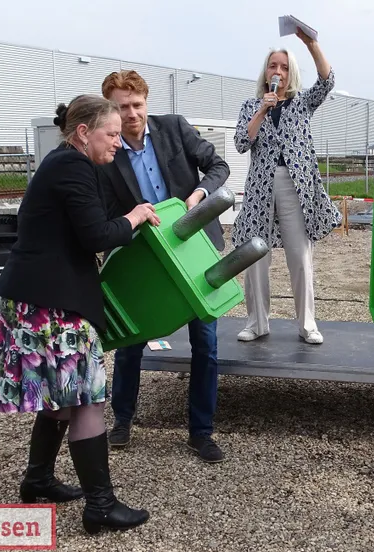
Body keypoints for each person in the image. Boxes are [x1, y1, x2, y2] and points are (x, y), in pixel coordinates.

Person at [0, 94, 159, 534]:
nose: (119, 142)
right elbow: (97, 234)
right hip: (51, 303)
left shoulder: (64, 162)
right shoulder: (73, 167)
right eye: (112, 134)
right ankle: (100, 506)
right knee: (87, 399)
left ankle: (38, 478)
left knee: (61, 396)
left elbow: (82, 227)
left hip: (36, 296)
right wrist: (135, 217)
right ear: (84, 132)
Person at [98, 69, 231, 463]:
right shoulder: (107, 151)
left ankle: (201, 432)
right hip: (142, 259)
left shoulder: (175, 128)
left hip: (195, 250)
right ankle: (122, 420)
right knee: (130, 341)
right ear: (112, 109)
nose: (132, 114)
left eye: (137, 105)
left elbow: (219, 166)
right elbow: (104, 209)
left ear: (147, 102)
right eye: (122, 108)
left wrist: (200, 194)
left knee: (205, 345)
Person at [232, 27, 341, 345]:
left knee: (299, 256)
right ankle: (256, 322)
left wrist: (311, 44)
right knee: (255, 257)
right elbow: (241, 143)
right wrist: (263, 110)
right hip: (259, 190)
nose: (277, 71)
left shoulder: (302, 103)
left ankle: (308, 324)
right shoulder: (251, 106)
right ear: (265, 72)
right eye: (272, 65)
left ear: (290, 72)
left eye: (283, 66)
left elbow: (327, 81)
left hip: (296, 187)